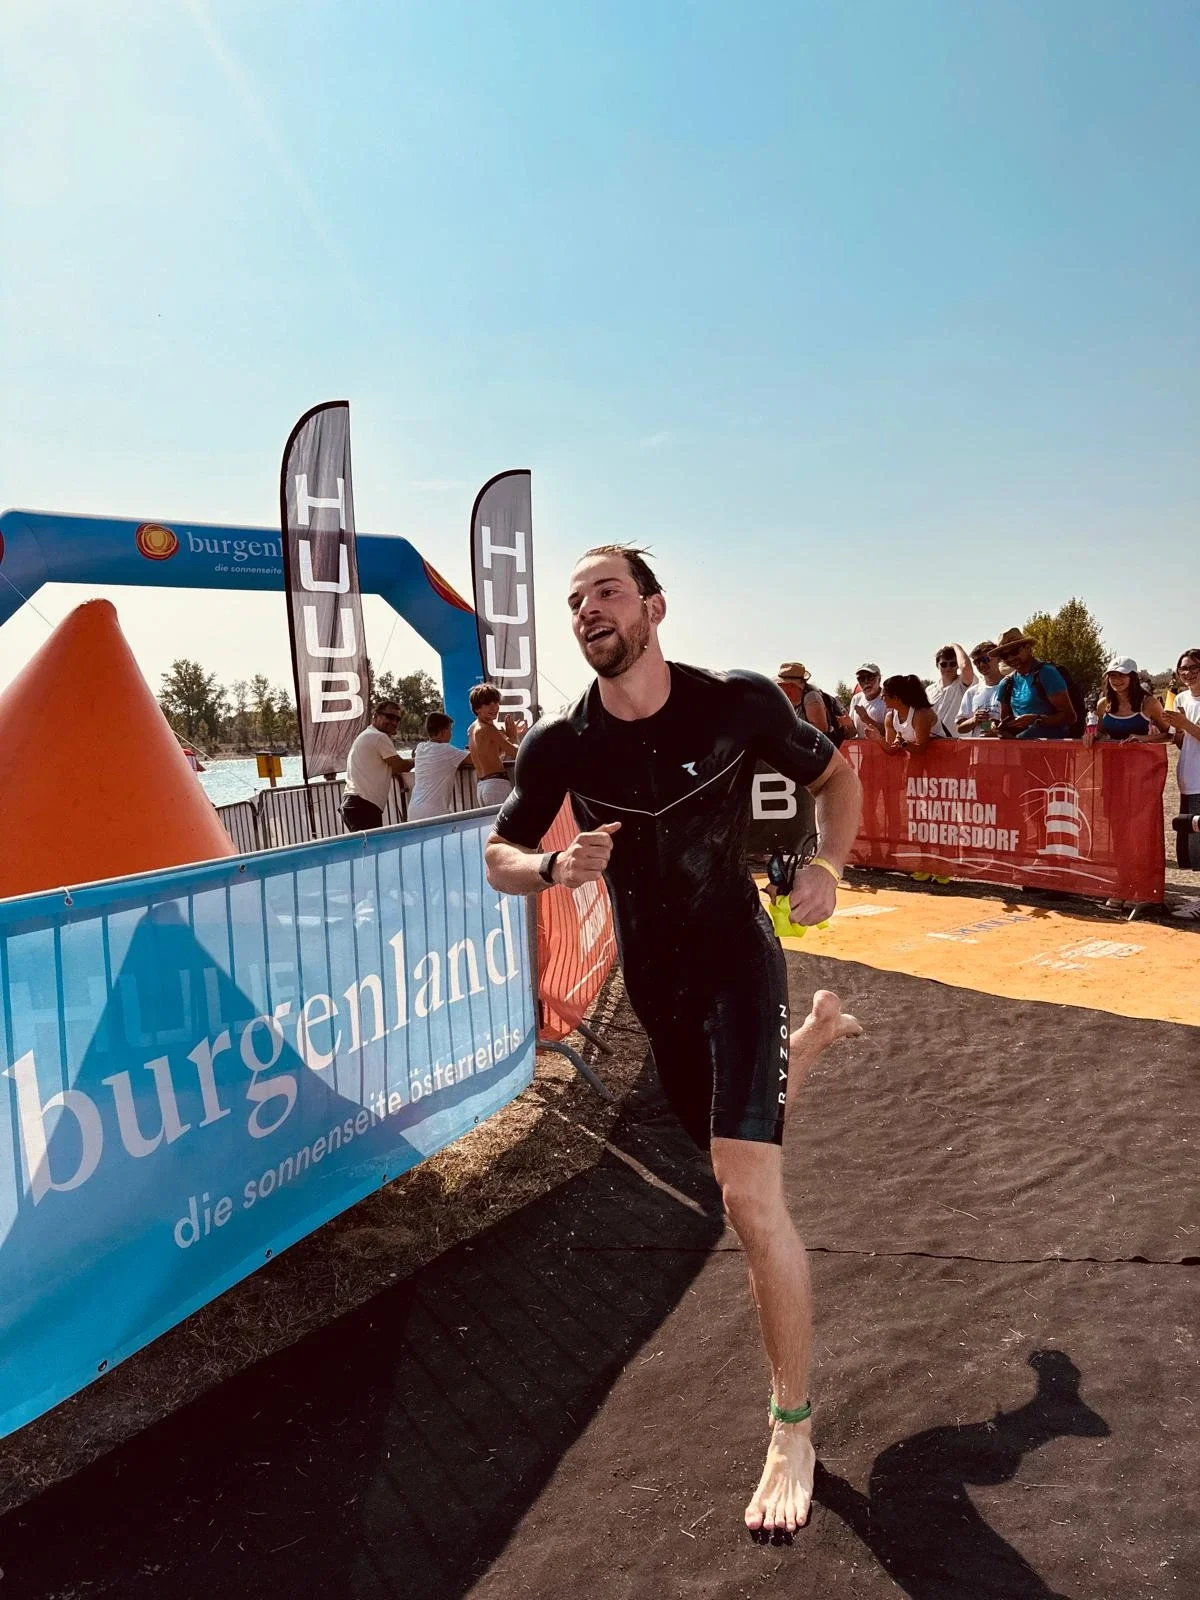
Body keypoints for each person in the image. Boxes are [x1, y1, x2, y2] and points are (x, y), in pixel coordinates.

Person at [484, 544, 863, 1536]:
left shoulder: (733, 702)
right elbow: (498, 856)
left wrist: (829, 862)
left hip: (739, 954)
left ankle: (792, 1426)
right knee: (732, 1152)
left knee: (747, 1197)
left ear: (653, 606)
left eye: (605, 590)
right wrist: (553, 866)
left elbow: (837, 778)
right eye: (573, 601)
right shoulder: (559, 747)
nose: (586, 609)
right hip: (657, 985)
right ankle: (811, 1039)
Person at [341, 700, 413, 831]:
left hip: (354, 803)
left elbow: (384, 768)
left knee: (367, 849)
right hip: (364, 805)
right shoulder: (379, 737)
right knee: (373, 849)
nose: (394, 722)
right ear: (376, 716)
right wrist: (420, 759)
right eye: (390, 717)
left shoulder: (367, 735)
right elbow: (400, 766)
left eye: (397, 719)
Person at [992, 628, 1075, 740]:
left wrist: (1036, 719)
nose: (1010, 658)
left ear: (1027, 647)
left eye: (1014, 651)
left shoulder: (1047, 673)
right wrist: (998, 726)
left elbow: (1070, 717)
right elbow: (1006, 720)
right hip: (1020, 750)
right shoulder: (1006, 683)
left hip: (1052, 750)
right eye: (1004, 656)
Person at [1163, 647, 1200, 894]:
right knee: (1193, 848)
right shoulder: (1180, 699)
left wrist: (1185, 724)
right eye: (1183, 668)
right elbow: (1182, 741)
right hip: (1187, 778)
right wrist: (1174, 730)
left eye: (1194, 667)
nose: (1188, 673)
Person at [407, 712, 473, 821]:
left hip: (414, 808)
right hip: (434, 812)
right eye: (450, 730)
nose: (451, 734)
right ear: (443, 732)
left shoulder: (420, 748)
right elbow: (474, 759)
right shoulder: (445, 749)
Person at [467, 685, 526, 806]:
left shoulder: (472, 728)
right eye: (488, 704)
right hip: (496, 785)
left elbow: (492, 754)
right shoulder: (488, 728)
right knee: (509, 825)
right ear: (477, 708)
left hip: (484, 786)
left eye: (496, 702)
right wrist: (514, 736)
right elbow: (516, 752)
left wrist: (508, 736)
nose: (494, 707)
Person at [1095, 657, 1170, 743]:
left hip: (1142, 755)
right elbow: (1101, 732)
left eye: (1122, 674)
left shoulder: (1149, 703)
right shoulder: (1102, 704)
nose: (1116, 679)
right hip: (1109, 755)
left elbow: (1169, 734)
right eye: (1112, 675)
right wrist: (1095, 736)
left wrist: (1143, 738)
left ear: (1133, 677)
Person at [882, 675, 947, 752]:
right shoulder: (890, 717)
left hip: (943, 757)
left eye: (884, 695)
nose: (882, 698)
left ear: (896, 698)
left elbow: (921, 749)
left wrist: (902, 743)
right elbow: (891, 750)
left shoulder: (921, 714)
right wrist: (877, 737)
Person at [955, 642, 1005, 737]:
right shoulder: (972, 692)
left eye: (985, 659)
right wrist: (974, 720)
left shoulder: (1012, 685)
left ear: (998, 658)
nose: (981, 664)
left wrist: (999, 729)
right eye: (976, 662)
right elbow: (960, 728)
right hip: (980, 749)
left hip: (1007, 749)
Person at [927, 644, 975, 739]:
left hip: (959, 743)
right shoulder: (929, 690)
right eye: (943, 664)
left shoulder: (963, 683)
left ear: (958, 665)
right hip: (934, 743)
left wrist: (955, 646)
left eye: (953, 664)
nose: (948, 668)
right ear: (937, 665)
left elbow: (965, 667)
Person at [849, 663, 887, 741]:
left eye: (870, 677)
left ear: (879, 679)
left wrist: (867, 719)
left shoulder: (888, 698)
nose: (866, 682)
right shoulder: (856, 699)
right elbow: (852, 732)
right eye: (861, 678)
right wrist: (848, 725)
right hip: (862, 751)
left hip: (883, 752)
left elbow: (892, 733)